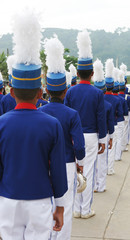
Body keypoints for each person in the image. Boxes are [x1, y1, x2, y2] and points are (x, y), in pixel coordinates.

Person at [0, 9, 68, 240]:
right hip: (39, 201)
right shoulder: (52, 124)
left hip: (7, 200)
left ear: (11, 92)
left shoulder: (1, 123)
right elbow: (58, 170)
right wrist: (60, 205)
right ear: (40, 93)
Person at [39, 36, 85, 240]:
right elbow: (80, 145)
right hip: (66, 165)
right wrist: (80, 165)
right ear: (66, 91)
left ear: (47, 90)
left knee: (45, 210)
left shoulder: (40, 112)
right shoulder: (72, 114)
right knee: (64, 209)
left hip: (41, 165)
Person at [65, 30, 106, 219]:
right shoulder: (97, 93)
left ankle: (75, 209)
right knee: (88, 170)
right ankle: (85, 210)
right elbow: (101, 118)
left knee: (75, 172)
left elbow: (66, 116)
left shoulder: (71, 92)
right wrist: (104, 138)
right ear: (91, 73)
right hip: (91, 136)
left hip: (74, 136)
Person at [93, 59, 114, 192]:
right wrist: (111, 136)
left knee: (92, 163)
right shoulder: (108, 105)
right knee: (102, 161)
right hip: (103, 133)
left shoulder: (91, 103)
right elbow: (110, 122)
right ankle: (101, 186)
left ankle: (94, 185)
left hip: (90, 133)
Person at [104, 59, 124, 175]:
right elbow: (120, 113)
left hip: (102, 126)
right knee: (111, 148)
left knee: (102, 151)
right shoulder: (117, 99)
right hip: (114, 124)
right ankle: (110, 169)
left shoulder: (100, 98)